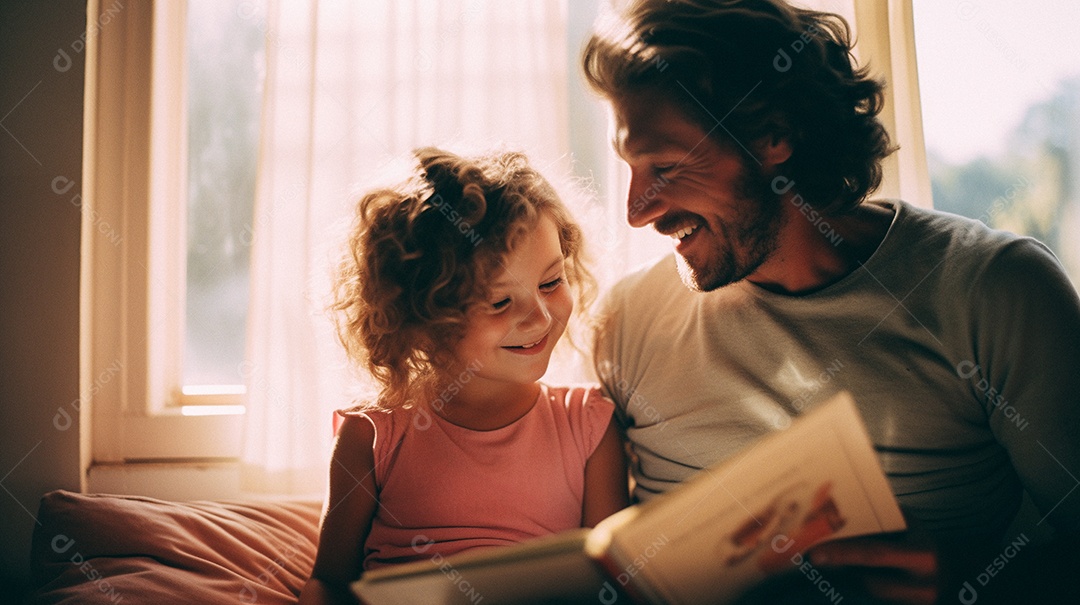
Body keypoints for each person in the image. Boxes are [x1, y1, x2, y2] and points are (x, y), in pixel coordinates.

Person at [583, 0, 1080, 602]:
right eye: (630, 168)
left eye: (664, 166)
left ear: (774, 136)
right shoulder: (626, 321)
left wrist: (970, 582)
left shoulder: (997, 291)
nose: (637, 212)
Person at [299, 148, 629, 604]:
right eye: (499, 302)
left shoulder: (589, 425)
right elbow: (328, 582)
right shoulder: (371, 434)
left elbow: (609, 581)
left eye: (551, 282)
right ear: (422, 315)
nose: (539, 317)